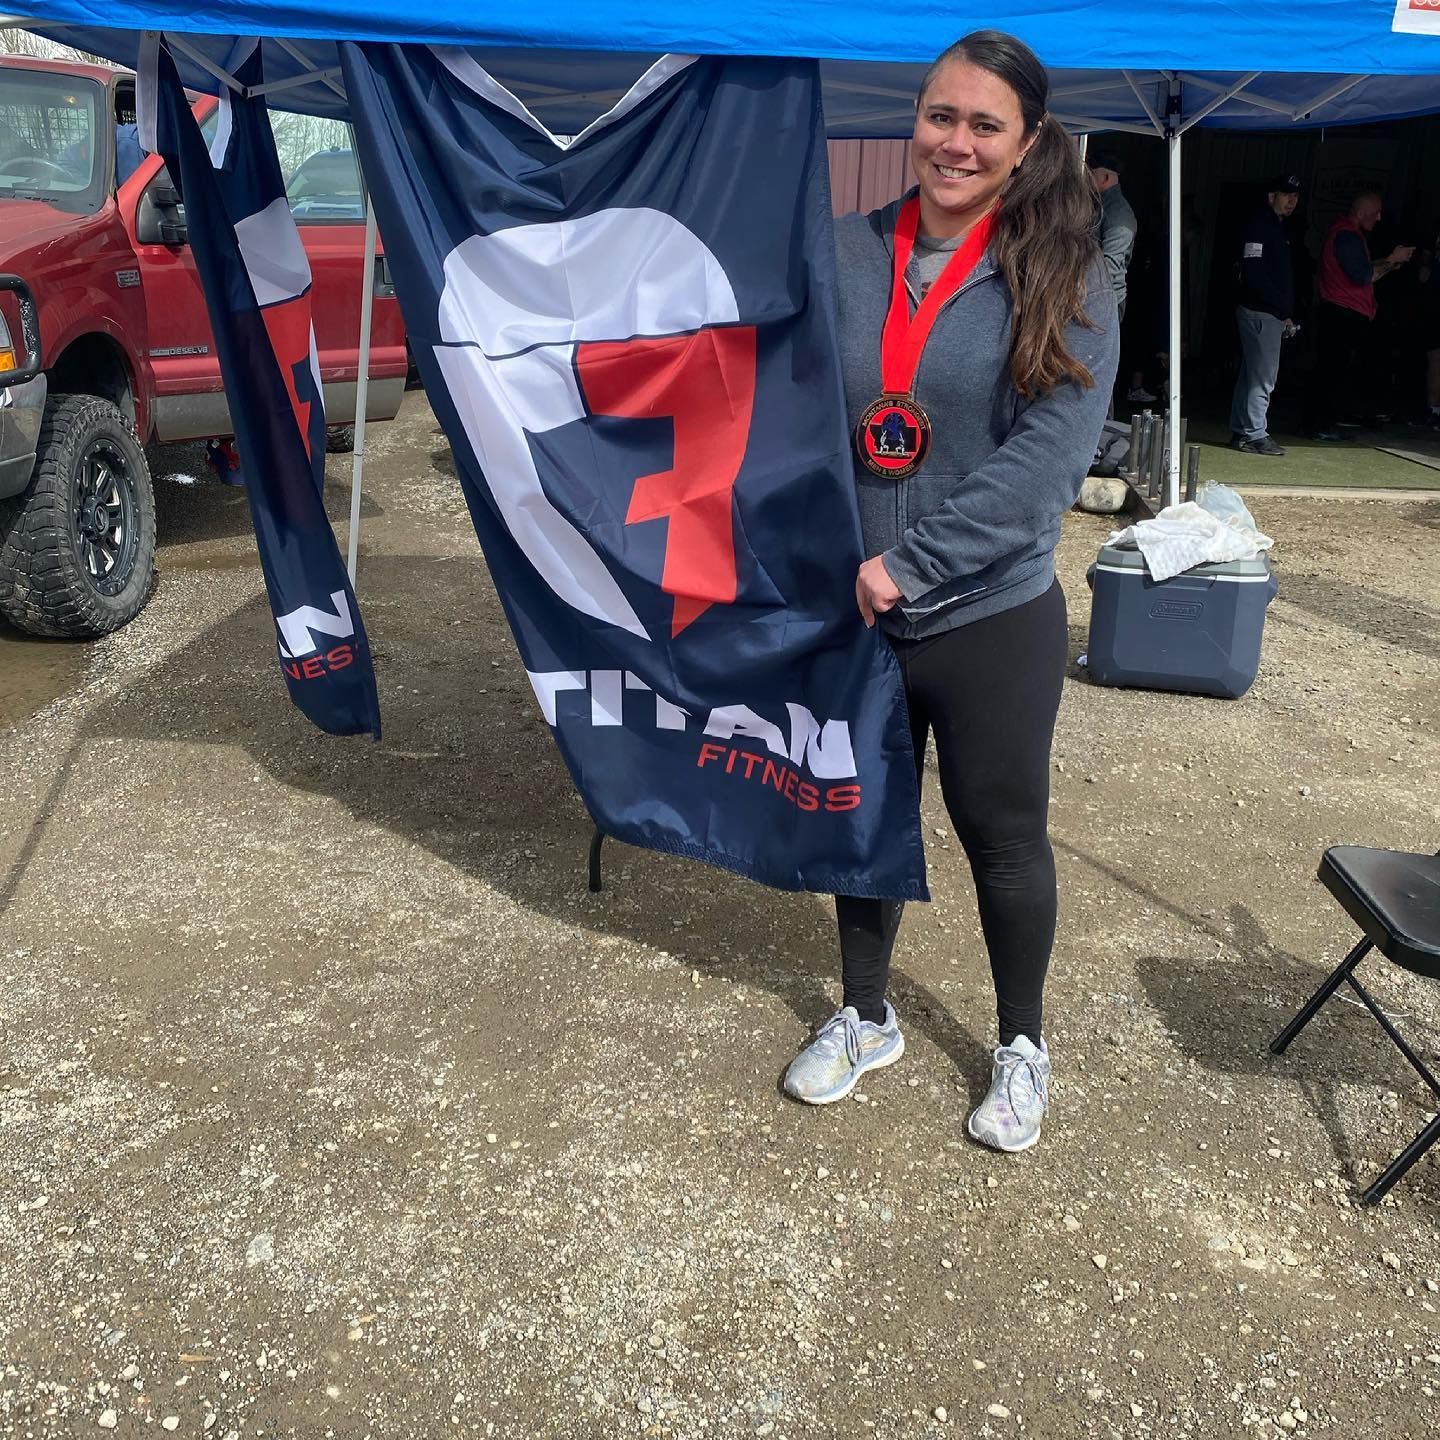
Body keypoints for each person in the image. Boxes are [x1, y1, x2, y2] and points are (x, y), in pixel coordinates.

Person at [783, 30, 1118, 1154]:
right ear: (913, 120)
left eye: (985, 125)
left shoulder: (1066, 275)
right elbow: (789, 405)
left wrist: (906, 566)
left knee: (1002, 834)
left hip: (988, 615)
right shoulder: (843, 250)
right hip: (859, 607)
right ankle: (866, 1014)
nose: (956, 143)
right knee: (865, 817)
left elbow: (1044, 469)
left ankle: (1022, 1043)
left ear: (1027, 144)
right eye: (941, 116)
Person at [1306, 190, 1414, 440]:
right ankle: (1321, 425)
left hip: (1342, 313)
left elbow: (1363, 270)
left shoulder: (1347, 235)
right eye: (1376, 213)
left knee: (1334, 369)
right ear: (1362, 211)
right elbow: (1362, 276)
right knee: (1334, 371)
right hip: (1342, 313)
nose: (1379, 218)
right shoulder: (1347, 235)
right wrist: (1391, 259)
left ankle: (1322, 423)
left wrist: (1391, 264)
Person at [1229, 174, 1301, 457]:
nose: (1292, 201)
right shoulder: (1261, 226)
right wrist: (1281, 310)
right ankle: (1255, 433)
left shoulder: (1273, 227)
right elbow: (1255, 272)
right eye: (1286, 195)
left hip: (1262, 311)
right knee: (1263, 378)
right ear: (1272, 197)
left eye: (1295, 196)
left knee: (1251, 375)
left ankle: (1242, 431)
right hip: (1261, 312)